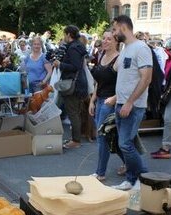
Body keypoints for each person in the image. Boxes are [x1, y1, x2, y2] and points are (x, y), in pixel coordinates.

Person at [111, 15, 153, 191]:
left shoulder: (141, 48)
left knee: (125, 144)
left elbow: (146, 78)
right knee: (125, 143)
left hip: (133, 105)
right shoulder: (126, 48)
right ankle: (135, 179)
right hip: (121, 104)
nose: (113, 33)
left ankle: (141, 178)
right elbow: (115, 70)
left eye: (114, 29)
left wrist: (129, 102)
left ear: (123, 27)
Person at [89, 30, 124, 181]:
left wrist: (115, 99)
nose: (105, 41)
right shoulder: (101, 55)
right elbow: (99, 82)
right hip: (100, 99)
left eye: (109, 39)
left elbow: (125, 84)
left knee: (102, 137)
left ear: (117, 42)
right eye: (104, 38)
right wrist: (92, 100)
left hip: (110, 102)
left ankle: (100, 172)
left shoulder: (119, 59)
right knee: (110, 137)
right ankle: (129, 162)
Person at [53, 25, 88, 149]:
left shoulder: (73, 48)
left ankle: (76, 141)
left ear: (68, 34)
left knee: (73, 112)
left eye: (64, 34)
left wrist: (60, 64)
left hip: (73, 83)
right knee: (75, 112)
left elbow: (74, 66)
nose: (64, 37)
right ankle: (75, 138)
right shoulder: (78, 46)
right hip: (79, 83)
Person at [150, 59, 171, 159]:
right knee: (168, 119)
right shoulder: (168, 60)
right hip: (169, 94)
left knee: (168, 119)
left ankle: (166, 147)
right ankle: (166, 147)